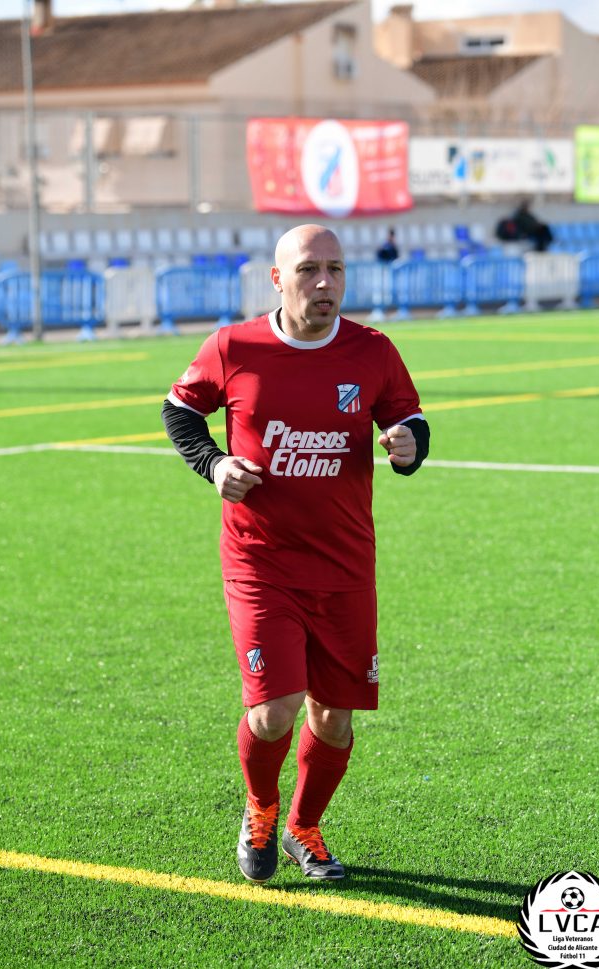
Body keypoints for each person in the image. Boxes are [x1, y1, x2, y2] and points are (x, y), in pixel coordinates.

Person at [161, 224, 429, 884]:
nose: (324, 282)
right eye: (309, 269)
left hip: (344, 565)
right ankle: (260, 809)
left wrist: (409, 447)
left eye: (335, 269)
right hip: (260, 561)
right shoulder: (234, 346)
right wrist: (213, 463)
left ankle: (303, 828)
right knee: (273, 710)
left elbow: (409, 419)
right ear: (278, 279)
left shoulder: (372, 350)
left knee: (333, 719)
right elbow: (180, 410)